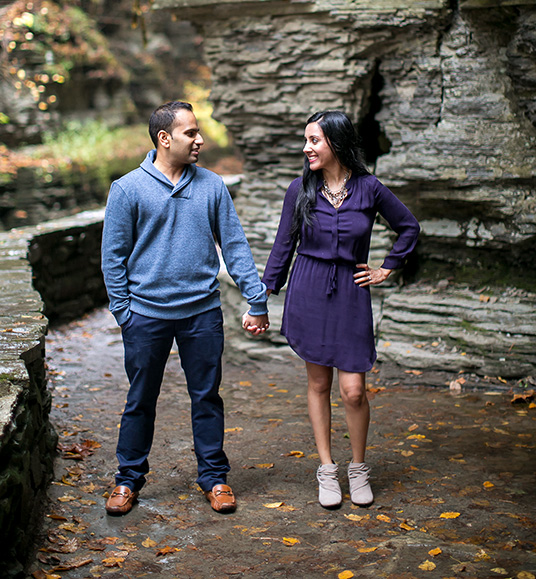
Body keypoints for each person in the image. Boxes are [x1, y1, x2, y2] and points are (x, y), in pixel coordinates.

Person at [101, 101, 269, 518]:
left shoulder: (212, 186)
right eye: (191, 133)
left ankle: (214, 478)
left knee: (207, 397)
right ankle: (128, 479)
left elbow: (235, 247)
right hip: (147, 315)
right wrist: (125, 312)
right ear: (165, 138)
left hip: (201, 314)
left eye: (198, 132)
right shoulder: (127, 189)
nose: (200, 140)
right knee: (141, 398)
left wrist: (257, 297)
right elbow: (112, 257)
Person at [262, 110, 419, 509]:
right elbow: (283, 246)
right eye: (306, 140)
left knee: (353, 391)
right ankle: (328, 470)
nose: (306, 148)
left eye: (314, 140)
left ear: (336, 141)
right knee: (318, 384)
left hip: (351, 292)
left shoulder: (369, 188)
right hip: (308, 289)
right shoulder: (300, 189)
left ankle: (358, 467)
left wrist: (387, 268)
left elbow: (409, 226)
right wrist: (261, 297)